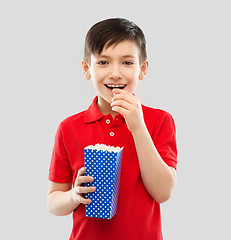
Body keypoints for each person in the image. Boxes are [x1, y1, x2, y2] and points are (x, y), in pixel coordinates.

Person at [47, 17, 177, 240]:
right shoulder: (69, 128)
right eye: (103, 62)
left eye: (127, 62)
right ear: (87, 68)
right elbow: (53, 202)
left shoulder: (159, 121)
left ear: (142, 69)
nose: (115, 73)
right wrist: (74, 196)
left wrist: (137, 126)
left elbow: (163, 191)